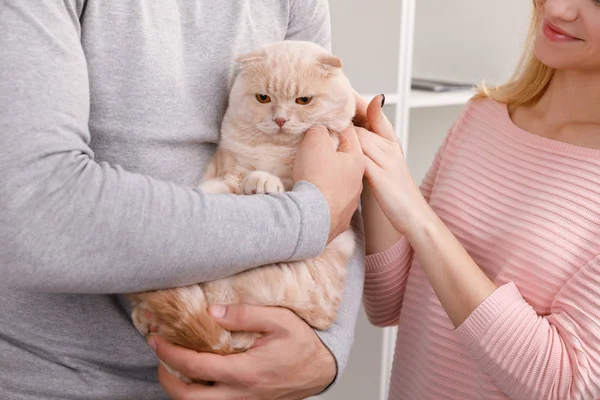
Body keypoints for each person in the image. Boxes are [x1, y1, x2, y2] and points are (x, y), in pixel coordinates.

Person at [0, 1, 366, 399]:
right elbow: (33, 213)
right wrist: (307, 218)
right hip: (57, 379)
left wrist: (326, 348)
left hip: (251, 376)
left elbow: (333, 171)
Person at [357, 0, 600, 399]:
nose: (557, 9)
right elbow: (389, 303)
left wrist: (419, 218)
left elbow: (566, 386)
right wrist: (374, 164)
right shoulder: (483, 116)